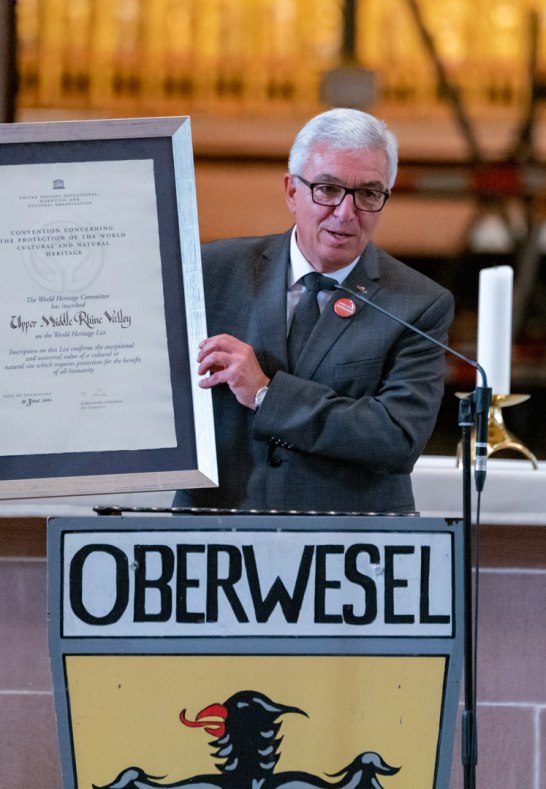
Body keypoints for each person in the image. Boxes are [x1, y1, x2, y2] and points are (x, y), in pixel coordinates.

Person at [174, 107, 454, 513]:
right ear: (291, 191)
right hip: (220, 529)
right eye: (327, 189)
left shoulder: (418, 303)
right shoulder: (211, 271)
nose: (345, 212)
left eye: (368, 194)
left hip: (348, 544)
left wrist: (267, 394)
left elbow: (397, 438)